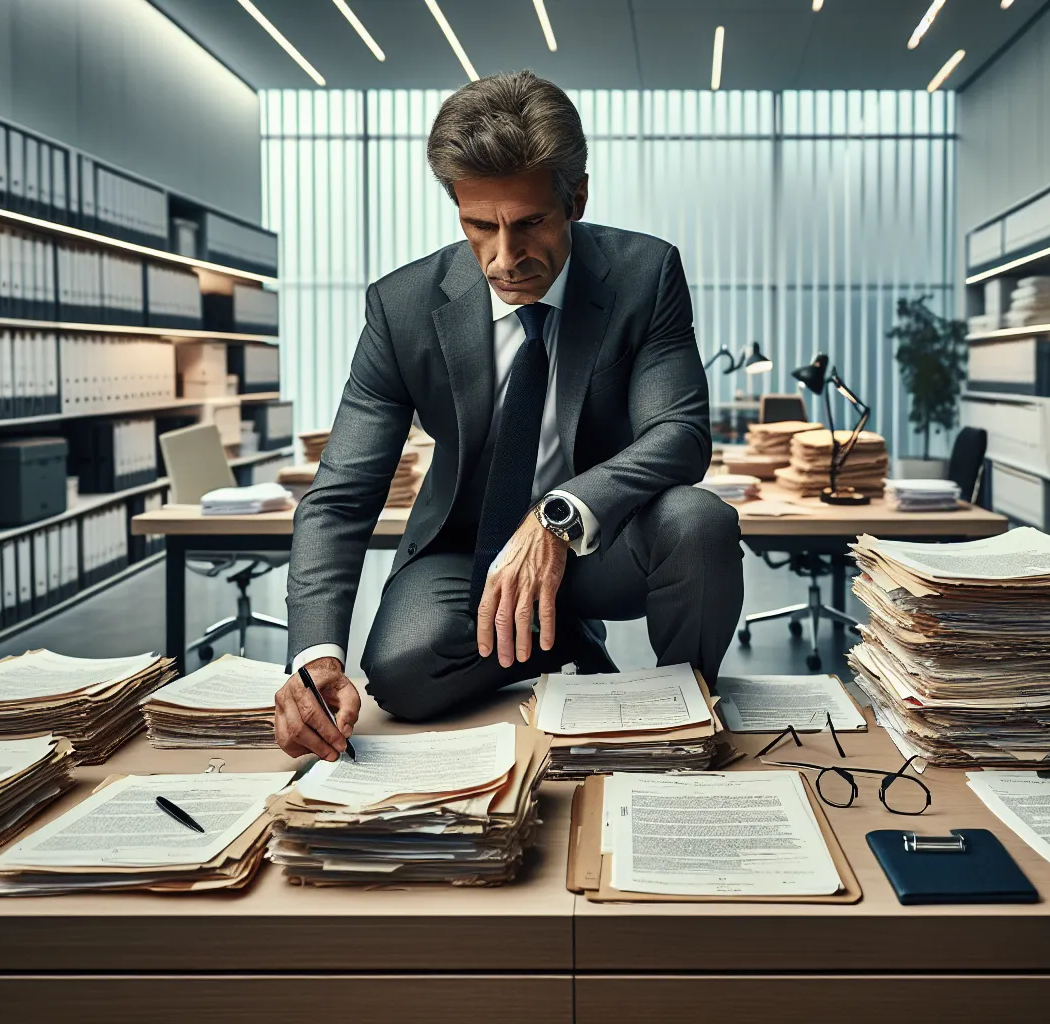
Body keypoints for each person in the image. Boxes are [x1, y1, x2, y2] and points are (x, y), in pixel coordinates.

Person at [271, 70, 743, 760]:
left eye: (529, 224)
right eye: (479, 226)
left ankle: (686, 719)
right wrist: (314, 657)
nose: (505, 258)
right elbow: (342, 493)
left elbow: (679, 435)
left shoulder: (644, 274)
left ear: (576, 198)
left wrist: (558, 517)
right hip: (469, 551)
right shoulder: (402, 307)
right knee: (401, 675)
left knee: (699, 522)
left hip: (605, 543)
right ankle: (565, 639)